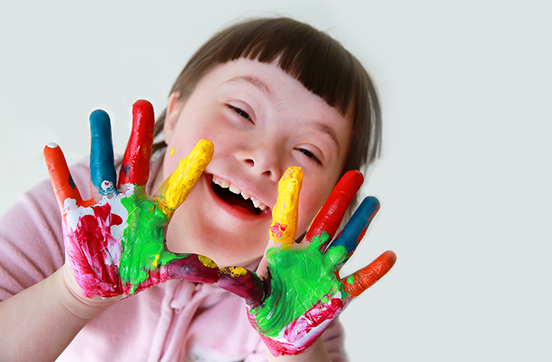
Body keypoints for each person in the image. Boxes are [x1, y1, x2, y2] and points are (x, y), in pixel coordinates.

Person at [0, 17, 394, 362]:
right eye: (241, 112)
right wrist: (73, 294)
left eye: (308, 151)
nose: (264, 159)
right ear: (174, 114)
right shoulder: (81, 217)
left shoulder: (299, 301)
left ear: (330, 207)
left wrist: (295, 350)